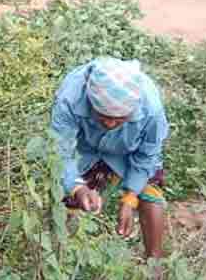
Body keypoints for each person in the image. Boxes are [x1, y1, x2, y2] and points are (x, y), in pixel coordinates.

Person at [50, 57, 170, 258]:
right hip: (85, 147)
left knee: (151, 192)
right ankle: (63, 256)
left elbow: (148, 154)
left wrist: (130, 198)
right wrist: (77, 187)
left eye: (121, 118)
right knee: (68, 197)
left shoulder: (151, 108)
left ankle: (154, 266)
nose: (111, 124)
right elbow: (61, 150)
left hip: (129, 149)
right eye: (103, 116)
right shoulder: (70, 98)